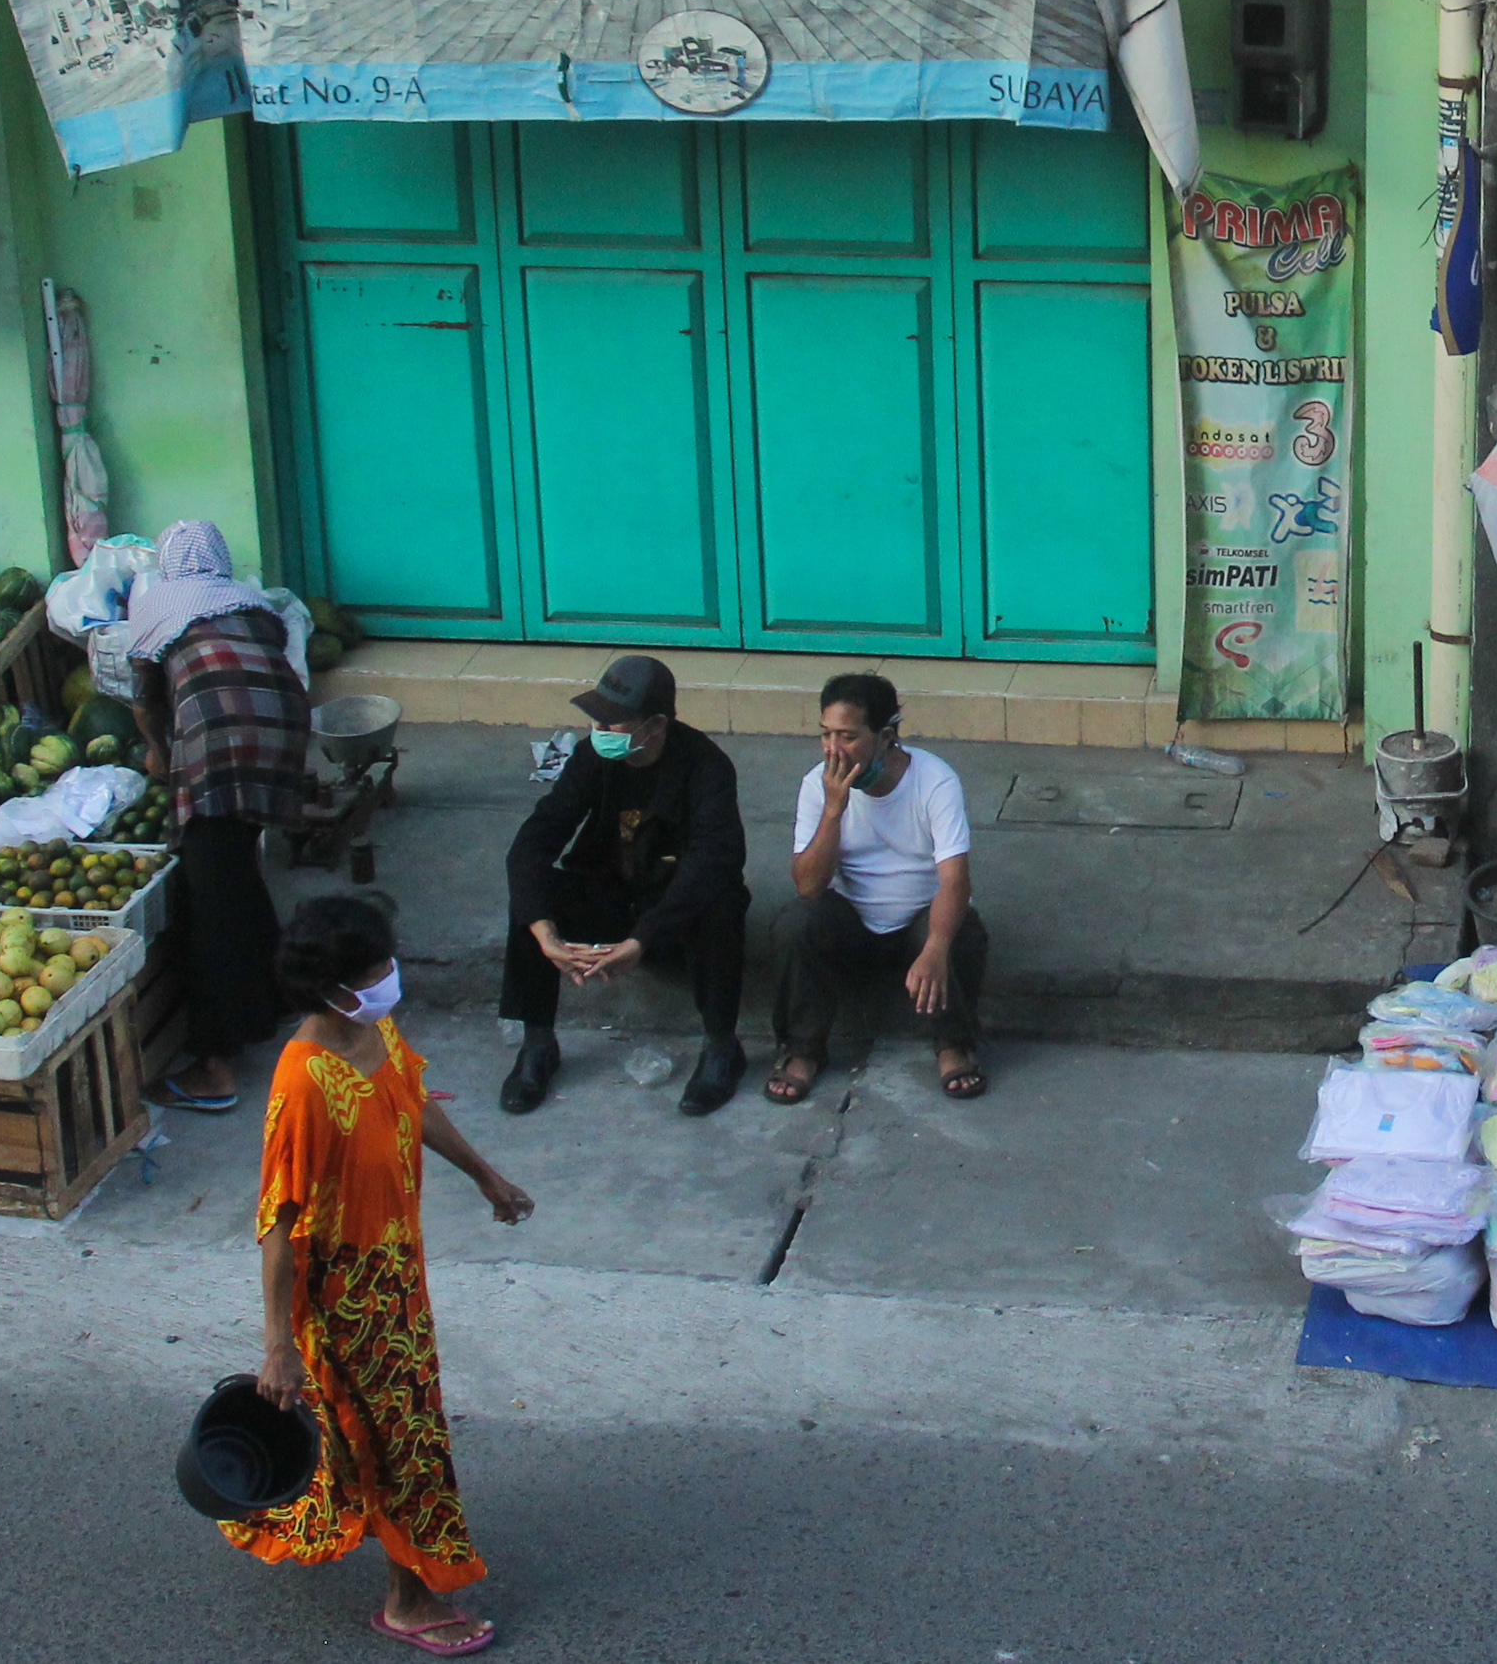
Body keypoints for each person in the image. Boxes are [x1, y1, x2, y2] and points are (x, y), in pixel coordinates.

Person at [230, 893, 531, 1656]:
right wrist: (277, 1344)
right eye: (374, 972)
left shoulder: (375, 1027)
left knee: (377, 1435)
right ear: (330, 989)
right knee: (403, 1438)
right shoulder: (303, 1083)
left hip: (399, 1271)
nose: (389, 980)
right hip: (343, 1296)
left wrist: (485, 1177)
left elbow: (412, 1103)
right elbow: (277, 1224)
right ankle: (408, 1596)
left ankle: (288, 1503)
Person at [496, 654, 749, 1118]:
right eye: (599, 721)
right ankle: (537, 1043)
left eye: (615, 723)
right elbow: (535, 840)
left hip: (670, 906)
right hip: (611, 890)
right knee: (535, 893)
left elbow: (715, 861)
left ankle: (721, 1047)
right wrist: (544, 932)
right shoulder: (594, 756)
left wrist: (642, 939)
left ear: (655, 725)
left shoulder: (706, 767)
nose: (602, 731)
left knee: (721, 903)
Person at [129, 519, 310, 1113]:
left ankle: (215, 1065)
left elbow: (144, 700)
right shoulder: (252, 605)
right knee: (235, 863)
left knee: (209, 899)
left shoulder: (159, 607)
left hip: (219, 743)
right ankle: (278, 992)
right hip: (282, 728)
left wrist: (159, 751)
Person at [765, 672, 986, 1105]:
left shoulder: (934, 780)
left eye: (847, 737)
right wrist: (833, 811)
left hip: (919, 915)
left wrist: (936, 948)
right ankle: (803, 1051)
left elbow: (955, 879)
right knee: (795, 923)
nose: (833, 750)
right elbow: (809, 887)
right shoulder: (817, 784)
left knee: (963, 932)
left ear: (885, 737)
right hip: (850, 918)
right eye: (825, 735)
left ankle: (953, 1046)